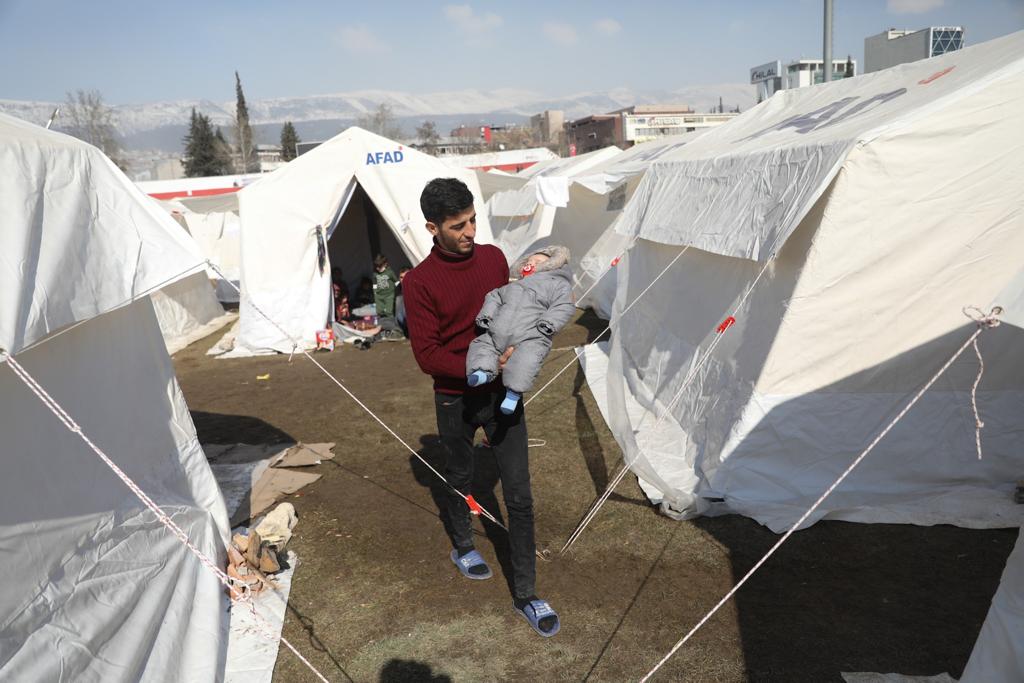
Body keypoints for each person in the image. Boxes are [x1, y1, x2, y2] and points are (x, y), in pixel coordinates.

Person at [403, 177, 560, 638]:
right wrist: (484, 366)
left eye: (473, 220)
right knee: (460, 477)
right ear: (433, 228)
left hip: (503, 395)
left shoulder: (493, 259)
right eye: (458, 226)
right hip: (455, 398)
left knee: (520, 495)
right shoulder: (419, 282)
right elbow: (427, 355)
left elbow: (510, 311)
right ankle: (463, 545)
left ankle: (527, 594)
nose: (470, 231)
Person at [467, 246, 575, 414]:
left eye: (538, 261)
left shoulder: (558, 284)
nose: (531, 264)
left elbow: (564, 305)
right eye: (529, 261)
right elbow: (494, 296)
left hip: (531, 334)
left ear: (552, 265)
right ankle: (482, 371)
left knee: (527, 359)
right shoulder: (513, 285)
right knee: (482, 344)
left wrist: (549, 323)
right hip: (499, 330)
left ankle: (513, 394)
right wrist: (487, 315)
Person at [372, 254, 399, 319]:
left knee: (389, 311)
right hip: (379, 295)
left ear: (385, 264)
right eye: (376, 266)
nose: (378, 268)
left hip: (389, 295)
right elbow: (374, 283)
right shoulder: (375, 273)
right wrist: (375, 292)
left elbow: (396, 281)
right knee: (379, 311)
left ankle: (392, 322)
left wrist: (399, 290)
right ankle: (381, 322)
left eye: (380, 266)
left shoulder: (390, 272)